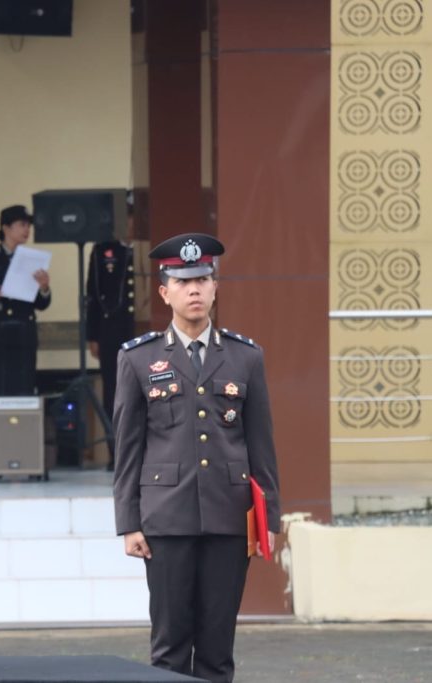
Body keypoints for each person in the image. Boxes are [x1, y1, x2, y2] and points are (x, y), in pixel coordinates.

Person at [112, 232, 281, 683]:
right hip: (165, 520)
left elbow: (261, 446)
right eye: (183, 281)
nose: (195, 290)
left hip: (230, 519)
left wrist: (269, 522)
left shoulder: (246, 358)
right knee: (168, 648)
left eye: (203, 279)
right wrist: (129, 522)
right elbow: (128, 450)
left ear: (215, 287)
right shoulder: (138, 359)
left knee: (217, 647)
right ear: (164, 292)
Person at [0, 204, 51, 399]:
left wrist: (44, 287)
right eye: (22, 224)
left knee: (22, 387)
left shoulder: (32, 259)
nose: (27, 230)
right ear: (6, 228)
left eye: (29, 225)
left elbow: (41, 304)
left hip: (22, 333)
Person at [85, 197, 136, 470]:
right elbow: (92, 295)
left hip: (140, 328)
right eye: (126, 217)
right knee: (114, 392)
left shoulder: (147, 248)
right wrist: (92, 336)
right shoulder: (103, 250)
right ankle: (116, 453)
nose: (130, 223)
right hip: (111, 332)